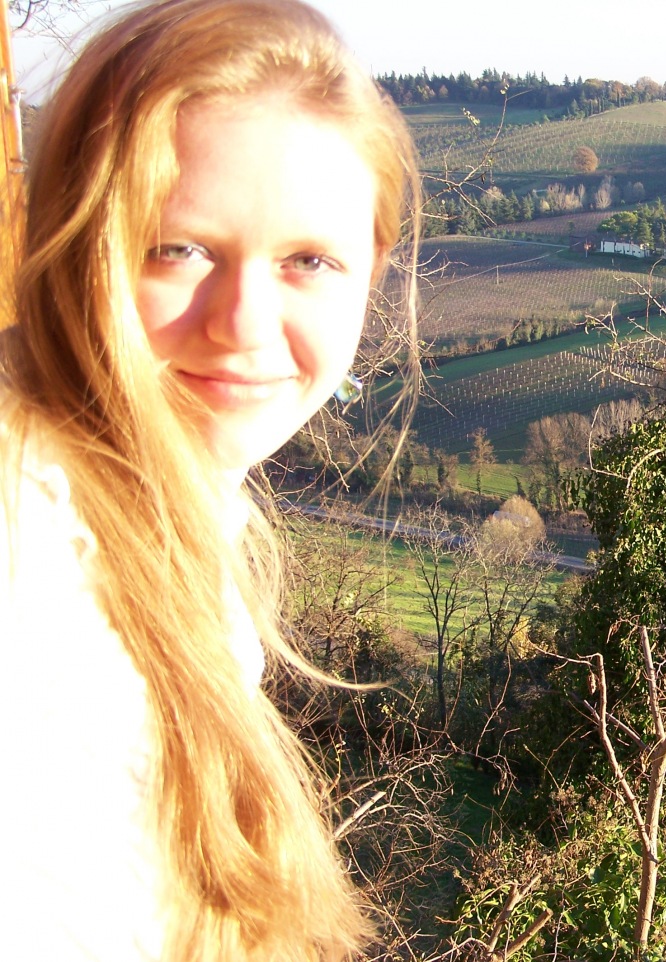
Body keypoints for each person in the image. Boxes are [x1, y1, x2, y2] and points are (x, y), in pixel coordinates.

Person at [0, 0, 420, 958]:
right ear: (75, 241)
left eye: (308, 261)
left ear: (371, 272)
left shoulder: (167, 520)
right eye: (179, 249)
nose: (241, 324)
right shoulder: (32, 560)